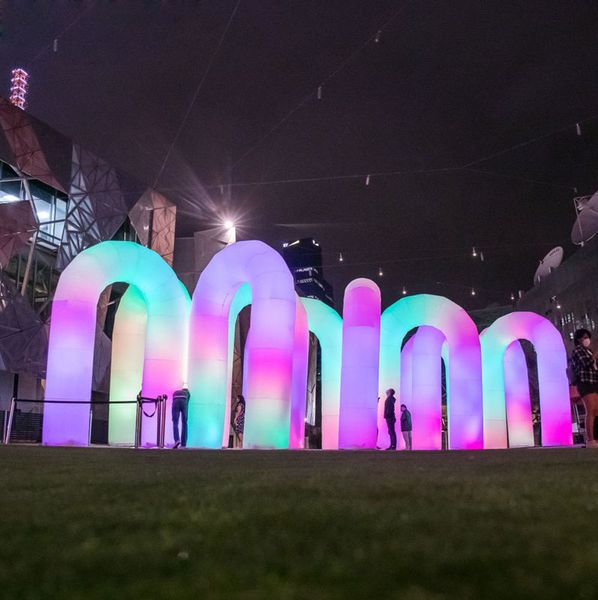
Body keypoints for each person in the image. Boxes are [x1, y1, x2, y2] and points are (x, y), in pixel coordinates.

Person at [571, 329, 598, 447]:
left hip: (594, 381)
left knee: (595, 410)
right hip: (585, 382)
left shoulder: (589, 351)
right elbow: (586, 363)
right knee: (591, 410)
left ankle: (594, 437)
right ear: (579, 339)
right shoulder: (578, 350)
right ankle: (590, 440)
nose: (587, 339)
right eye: (584, 337)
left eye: (588, 337)